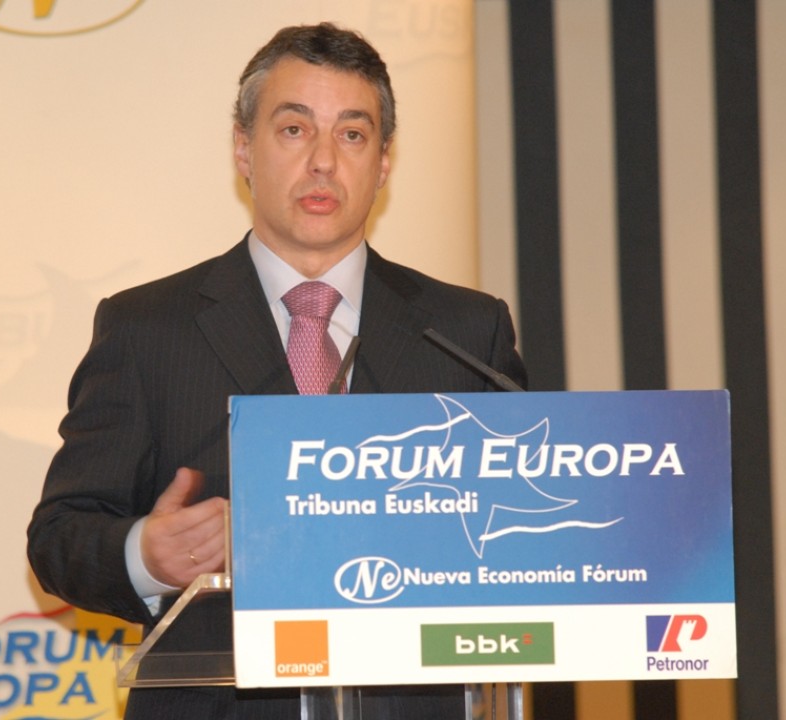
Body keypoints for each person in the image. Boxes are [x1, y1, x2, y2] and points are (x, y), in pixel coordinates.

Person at [28, 22, 526, 719]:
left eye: (352, 134)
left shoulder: (464, 332)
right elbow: (60, 537)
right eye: (294, 130)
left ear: (384, 161)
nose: (323, 161)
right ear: (244, 148)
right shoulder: (147, 329)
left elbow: (522, 528)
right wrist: (147, 554)